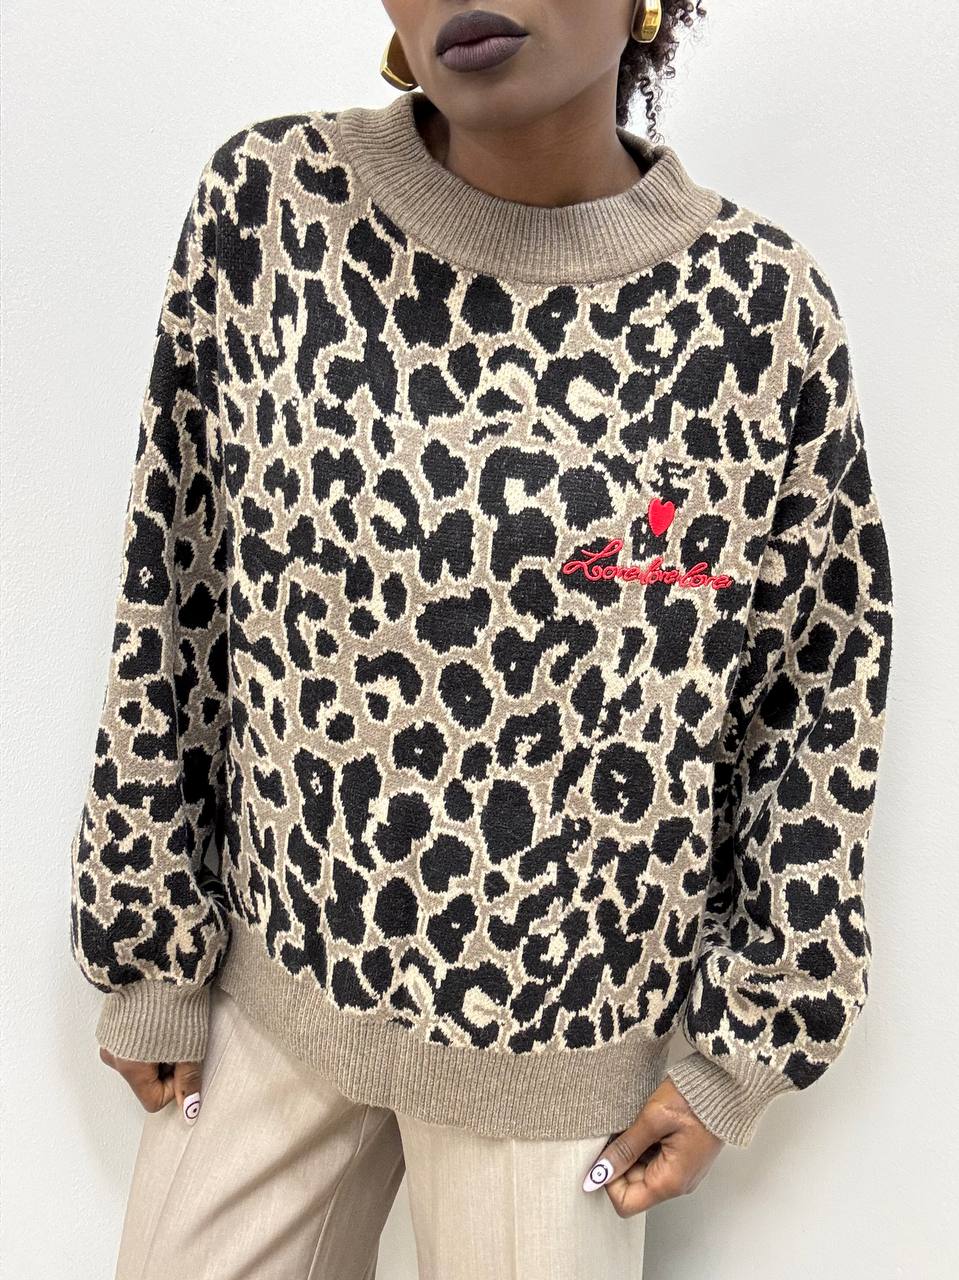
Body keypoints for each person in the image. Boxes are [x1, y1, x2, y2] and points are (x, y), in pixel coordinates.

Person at [68, 2, 894, 1276]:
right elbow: (173, 586)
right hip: (267, 1008)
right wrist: (146, 935)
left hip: (560, 1072)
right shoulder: (272, 209)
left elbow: (814, 697)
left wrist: (739, 1051)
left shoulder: (756, 317)